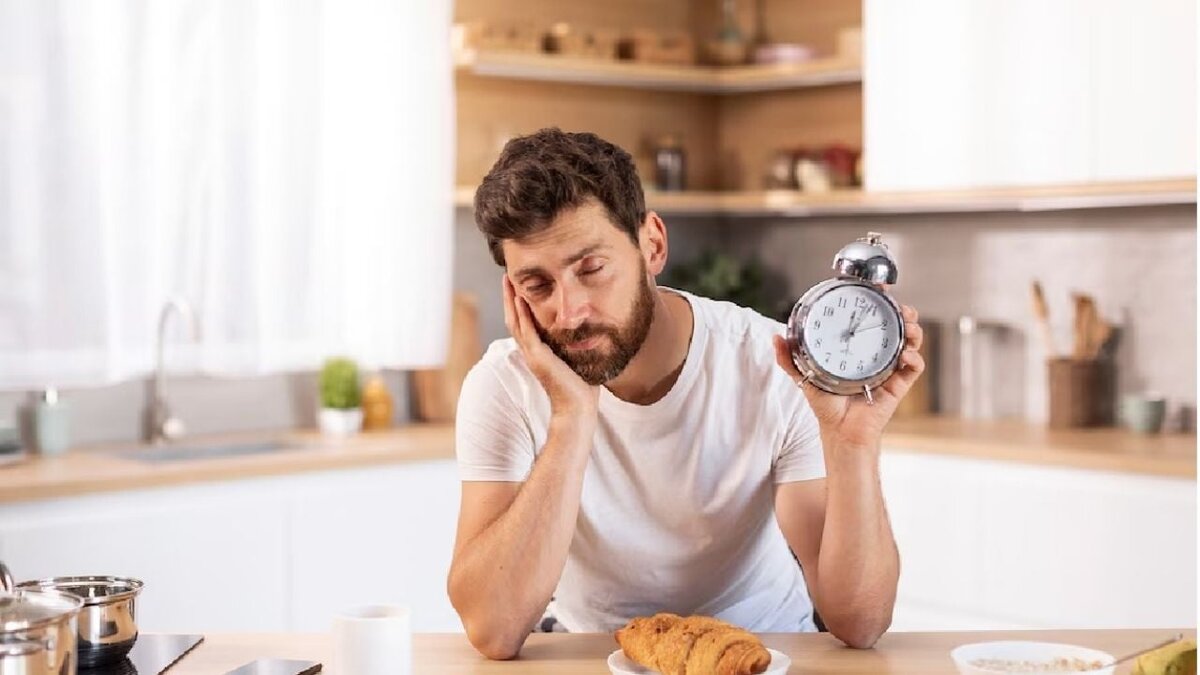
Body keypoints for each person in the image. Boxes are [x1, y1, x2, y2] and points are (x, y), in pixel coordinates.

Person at [446, 128, 925, 660]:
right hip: (596, 654)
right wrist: (572, 416)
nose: (570, 311)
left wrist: (853, 445)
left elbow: (859, 622)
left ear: (651, 245)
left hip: (761, 649)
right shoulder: (505, 385)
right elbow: (492, 628)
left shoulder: (766, 362)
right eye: (538, 285)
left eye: (592, 269)